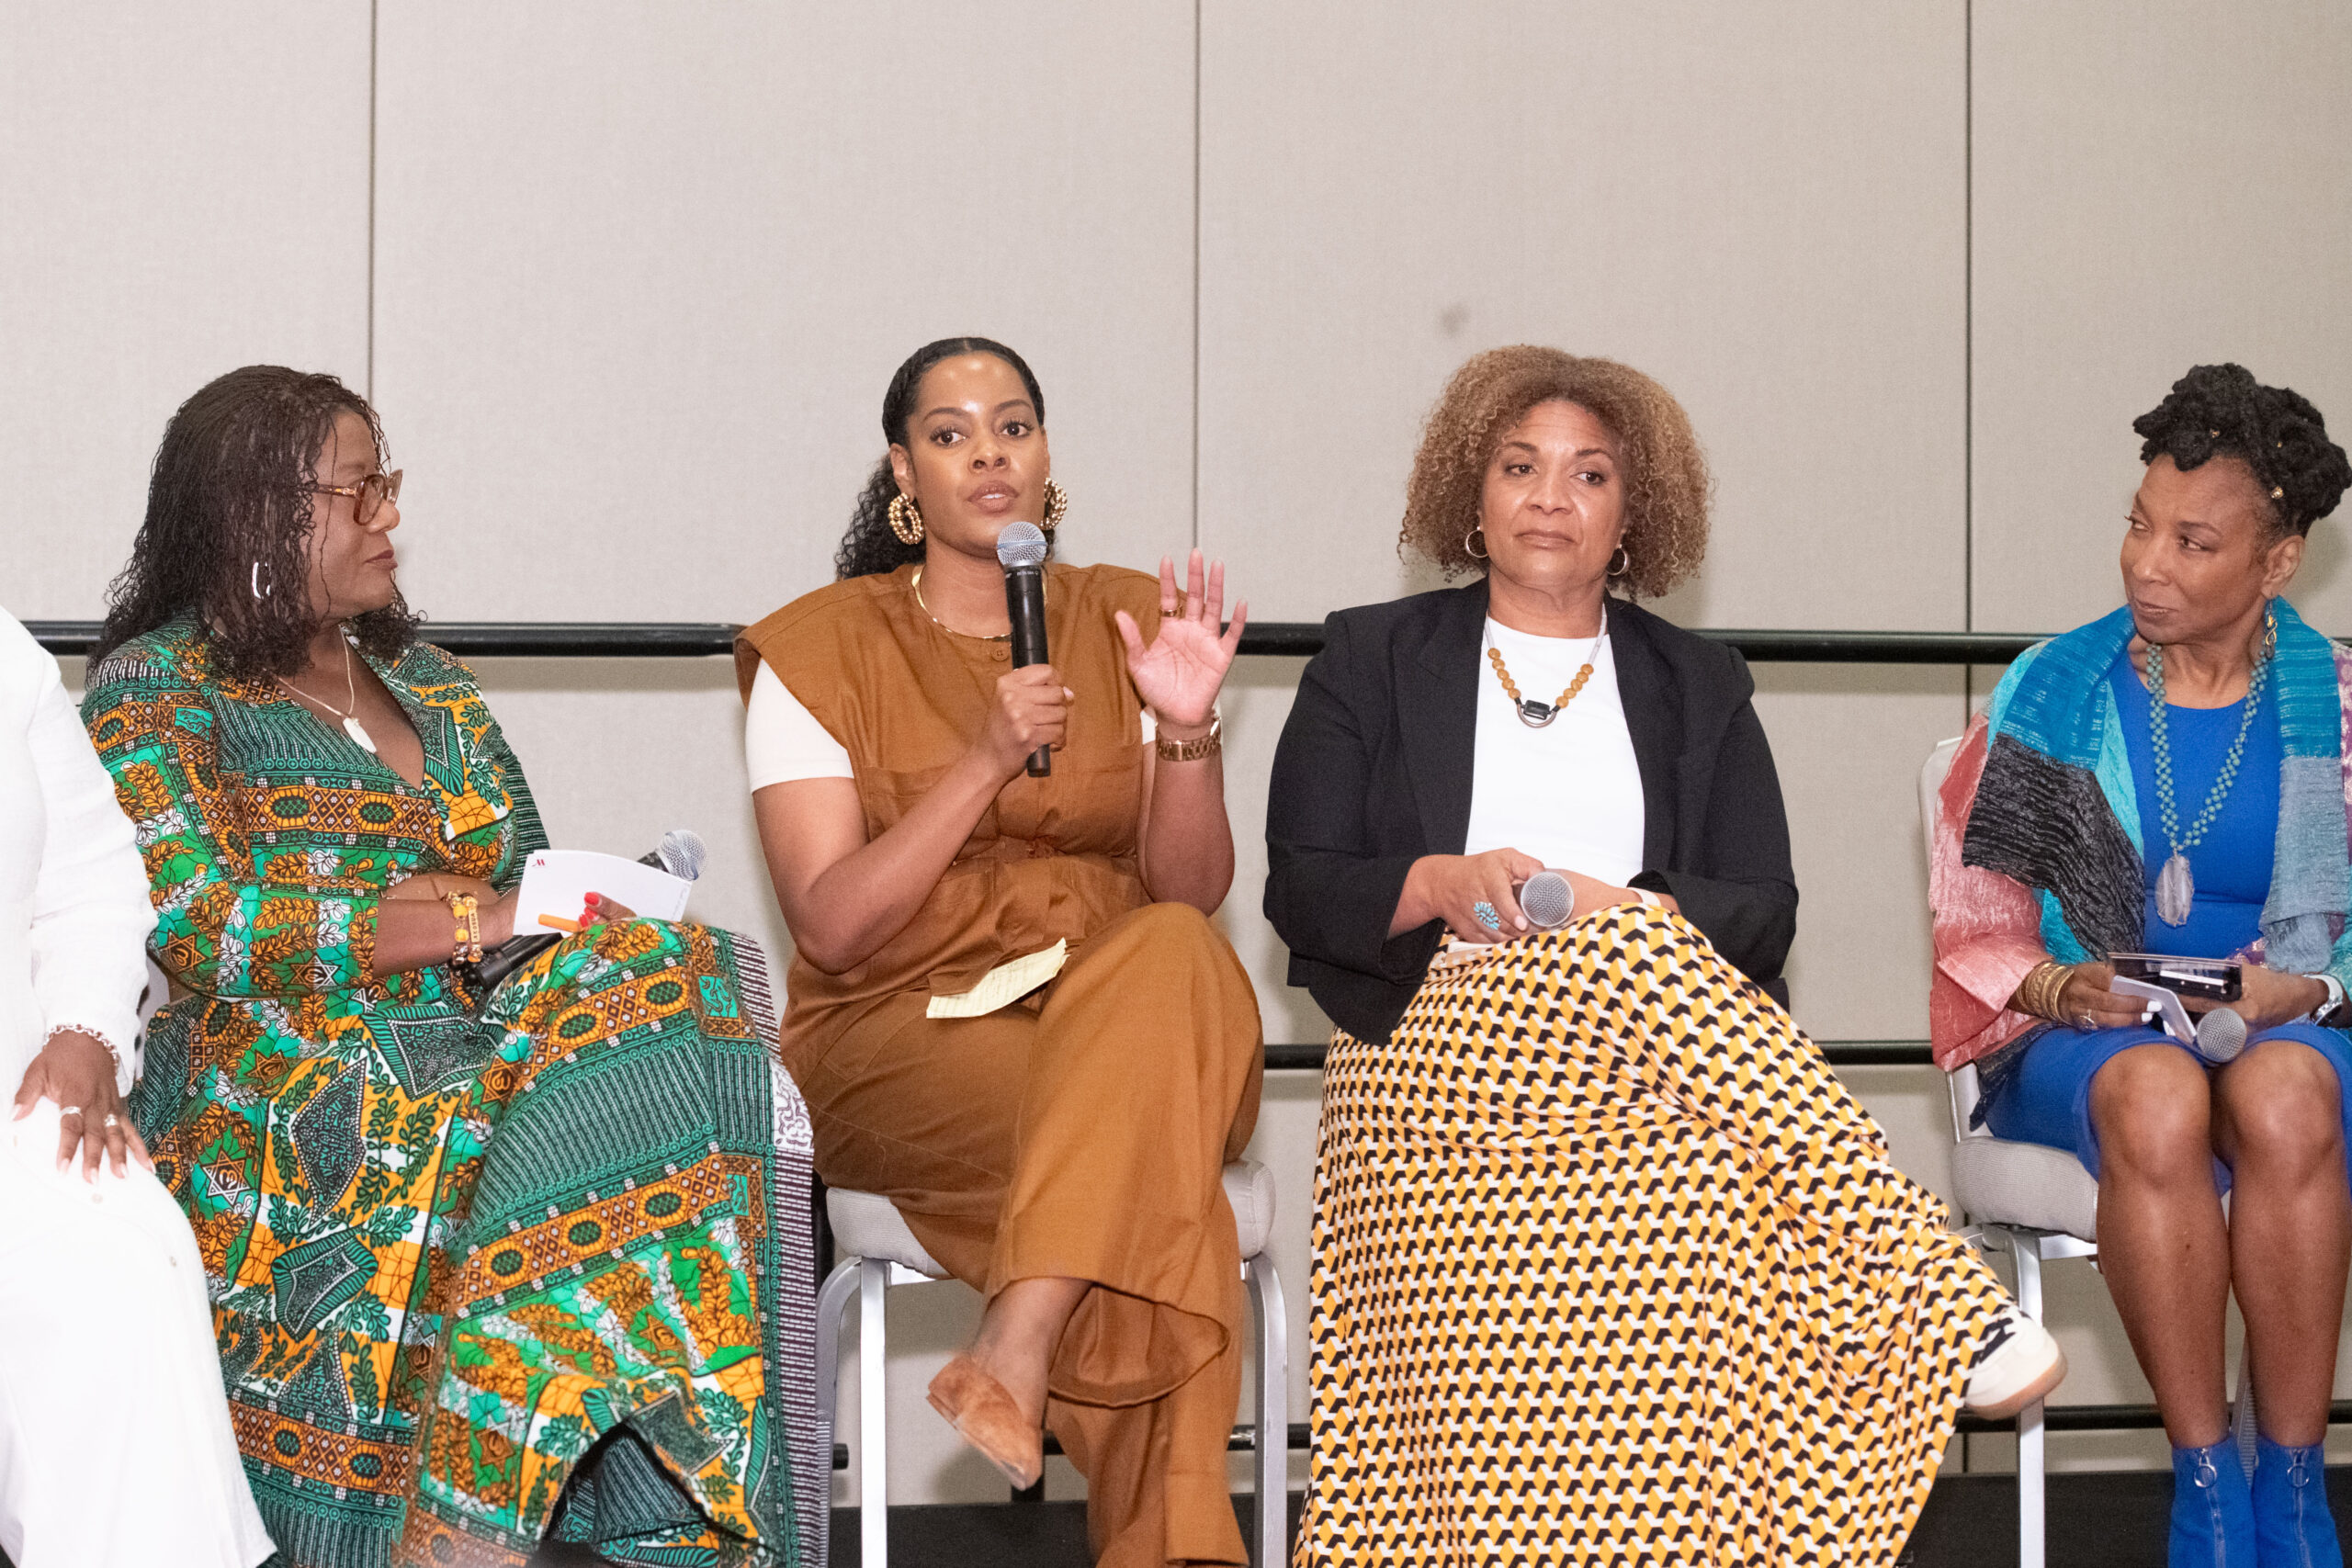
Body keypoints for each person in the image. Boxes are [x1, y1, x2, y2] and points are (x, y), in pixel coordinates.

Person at [1268, 345, 2064, 1564]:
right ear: (1469, 493)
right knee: (1638, 947)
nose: (1550, 497)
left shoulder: (1697, 681)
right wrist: (1438, 881)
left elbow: (1761, 909)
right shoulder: (1370, 656)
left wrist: (1607, 906)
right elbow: (1303, 885)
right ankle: (1928, 1287)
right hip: (1438, 1052)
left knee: (1641, 972)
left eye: (1589, 475)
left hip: (1644, 1069)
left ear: (1634, 513)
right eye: (1519, 466)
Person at [81, 366, 820, 1568]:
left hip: (486, 1021)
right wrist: (449, 920)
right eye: (360, 490)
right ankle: (498, 1494)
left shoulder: (431, 683)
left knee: (679, 969)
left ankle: (492, 1479)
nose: (389, 514)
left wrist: (522, 914)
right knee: (583, 1072)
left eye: (388, 482)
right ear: (259, 512)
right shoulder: (158, 688)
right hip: (283, 1056)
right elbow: (203, 922)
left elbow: (524, 875)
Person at [739, 336, 1262, 1567]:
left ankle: (1016, 1343)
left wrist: (1186, 728)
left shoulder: (1124, 617)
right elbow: (830, 924)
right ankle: (1178, 1543)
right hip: (905, 1029)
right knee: (1159, 1187)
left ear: (1045, 453)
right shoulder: (817, 650)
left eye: (1012, 426)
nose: (988, 454)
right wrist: (981, 758)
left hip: (1127, 1017)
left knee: (1174, 946)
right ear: (902, 472)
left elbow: (1193, 888)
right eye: (951, 432)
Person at [1936, 363, 2352, 1566]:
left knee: (2288, 1089)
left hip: (2288, 1022)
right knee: (2159, 1093)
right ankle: (2206, 1492)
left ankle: (2294, 1488)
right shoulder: (2052, 689)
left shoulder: (2334, 697)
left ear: (2277, 562)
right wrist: (2064, 986)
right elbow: (1979, 923)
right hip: (2086, 1036)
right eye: (2138, 524)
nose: (2146, 564)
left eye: (2192, 541)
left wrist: (2312, 987)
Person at [0, 606, 274, 1568]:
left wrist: (85, 1029)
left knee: (124, 1252)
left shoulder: (6, 657)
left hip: (16, 1100)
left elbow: (90, 877)